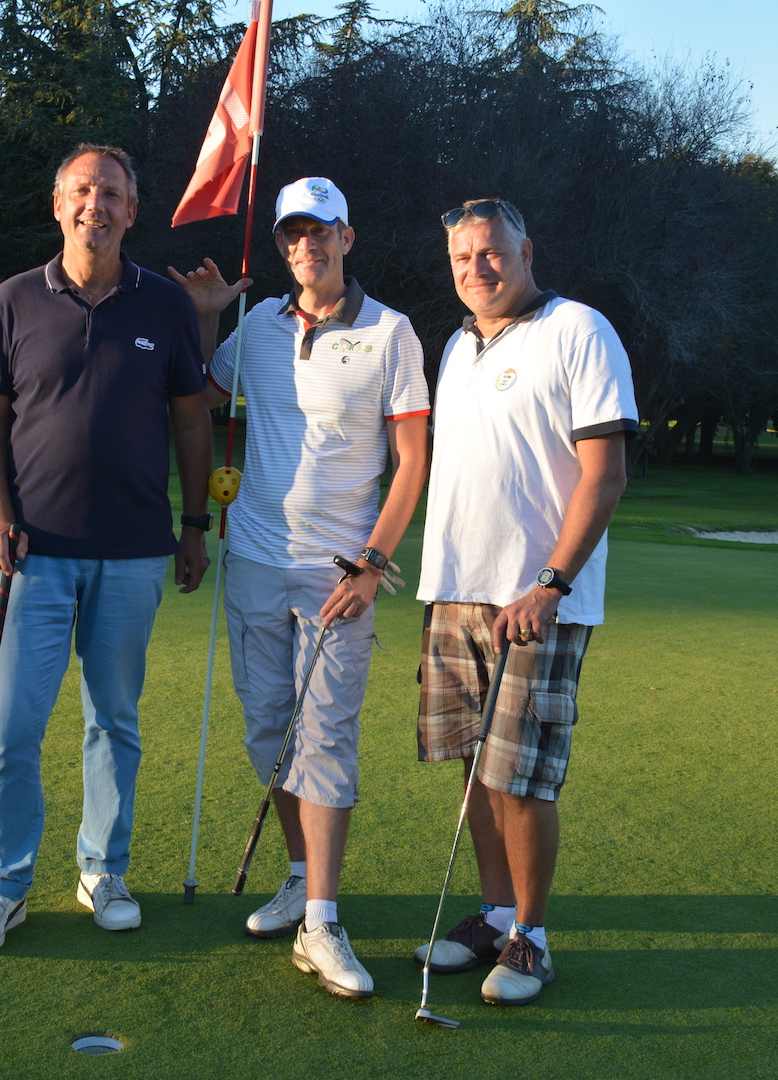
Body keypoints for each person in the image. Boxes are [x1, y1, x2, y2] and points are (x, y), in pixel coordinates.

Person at [169, 177, 430, 998]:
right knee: (271, 735)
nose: (305, 248)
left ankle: (322, 917)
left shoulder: (392, 333)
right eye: (292, 236)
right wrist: (208, 314)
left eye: (320, 233)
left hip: (335, 575)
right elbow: (196, 398)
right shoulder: (257, 327)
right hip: (250, 558)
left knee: (326, 741)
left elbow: (413, 459)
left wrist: (373, 561)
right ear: (281, 244)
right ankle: (295, 874)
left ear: (347, 237)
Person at [0, 144, 214, 952]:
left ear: (133, 211)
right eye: (81, 190)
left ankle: (103, 868)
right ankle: (1, 887)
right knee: (10, 728)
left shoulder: (164, 307)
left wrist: (195, 524)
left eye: (111, 193)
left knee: (115, 721)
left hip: (134, 551)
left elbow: (192, 420)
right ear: (57, 203)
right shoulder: (13, 300)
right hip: (31, 552)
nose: (95, 203)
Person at [412, 197, 636, 1006]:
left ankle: (531, 937)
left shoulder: (578, 329)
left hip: (535, 601)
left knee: (523, 780)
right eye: (462, 257)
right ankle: (495, 912)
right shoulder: (456, 345)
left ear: (526, 251)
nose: (477, 267)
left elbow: (604, 473)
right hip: (456, 594)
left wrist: (550, 582)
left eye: (492, 252)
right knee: (477, 773)